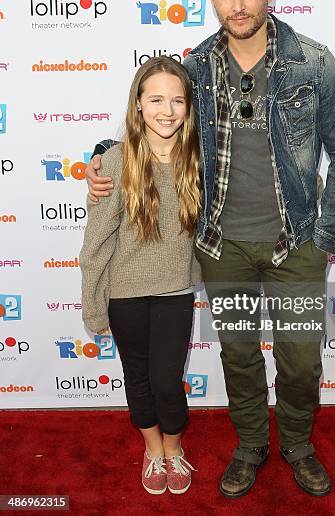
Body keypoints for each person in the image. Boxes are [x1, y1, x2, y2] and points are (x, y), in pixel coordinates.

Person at [86, 0, 335, 500]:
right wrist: (98, 156)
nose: (238, 4)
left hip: (296, 244)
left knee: (301, 362)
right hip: (222, 246)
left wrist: (324, 237)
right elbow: (152, 120)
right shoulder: (194, 69)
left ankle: (298, 445)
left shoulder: (313, 62)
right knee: (238, 358)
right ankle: (251, 444)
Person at [80, 56, 201, 496]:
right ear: (137, 104)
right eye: (155, 99)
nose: (166, 110)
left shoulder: (199, 158)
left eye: (177, 100)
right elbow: (96, 241)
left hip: (176, 290)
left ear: (189, 106)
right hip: (125, 294)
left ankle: (174, 447)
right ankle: (153, 451)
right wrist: (94, 306)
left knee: (168, 380)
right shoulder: (113, 162)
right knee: (139, 378)